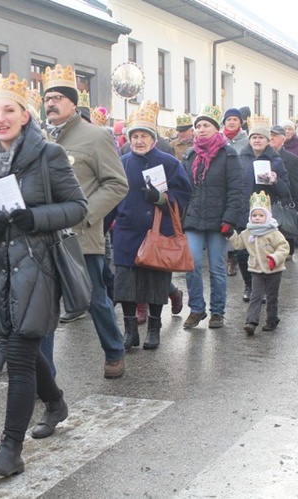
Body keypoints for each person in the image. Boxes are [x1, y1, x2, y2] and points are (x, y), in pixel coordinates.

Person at [0, 72, 87, 476]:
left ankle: (10, 449)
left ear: (25, 116)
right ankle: (56, 403)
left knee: (18, 353)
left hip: (38, 264)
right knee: (25, 350)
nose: (0, 118)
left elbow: (78, 207)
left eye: (8, 110)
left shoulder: (47, 155)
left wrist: (34, 217)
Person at [42, 64, 129, 378]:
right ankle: (44, 373)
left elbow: (117, 184)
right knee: (44, 306)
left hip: (81, 236)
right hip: (43, 236)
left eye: (56, 98)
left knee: (94, 299)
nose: (49, 103)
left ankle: (114, 351)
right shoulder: (39, 139)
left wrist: (85, 214)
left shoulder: (95, 136)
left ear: (72, 104)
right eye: (47, 98)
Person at [111, 100, 192, 350]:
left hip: (159, 232)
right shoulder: (122, 163)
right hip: (127, 232)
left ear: (152, 138)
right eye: (134, 135)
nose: (138, 140)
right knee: (125, 285)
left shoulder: (169, 163)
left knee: (156, 282)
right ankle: (130, 331)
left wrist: (161, 199)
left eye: (143, 135)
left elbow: (185, 193)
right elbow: (112, 194)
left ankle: (154, 329)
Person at [181, 104, 245, 330]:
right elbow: (182, 189)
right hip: (193, 220)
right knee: (192, 263)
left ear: (216, 129)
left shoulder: (228, 155)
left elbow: (237, 190)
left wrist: (230, 220)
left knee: (217, 268)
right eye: (198, 126)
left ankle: (217, 311)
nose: (201, 129)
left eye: (206, 125)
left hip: (219, 221)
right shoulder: (189, 156)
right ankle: (197, 308)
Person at [234, 119, 291, 302]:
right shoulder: (241, 158)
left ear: (268, 141)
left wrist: (275, 180)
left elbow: (285, 192)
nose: (257, 140)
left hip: (266, 215)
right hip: (244, 212)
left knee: (266, 251)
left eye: (261, 137)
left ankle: (265, 286)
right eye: (254, 137)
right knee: (243, 252)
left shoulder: (275, 160)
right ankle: (250, 285)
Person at [226, 191, 290, 334]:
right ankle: (251, 321)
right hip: (256, 270)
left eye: (261, 216)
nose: (257, 218)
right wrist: (230, 234)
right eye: (254, 215)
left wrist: (275, 257)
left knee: (272, 297)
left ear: (267, 216)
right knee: (256, 296)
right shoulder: (248, 232)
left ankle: (272, 320)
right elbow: (238, 244)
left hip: (274, 270)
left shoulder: (273, 232)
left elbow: (284, 247)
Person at [269, 124, 298, 258]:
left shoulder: (290, 158)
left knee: (285, 236)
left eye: (275, 136)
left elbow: (296, 182)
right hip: (267, 202)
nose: (271, 138)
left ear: (283, 139)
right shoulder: (261, 156)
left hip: (284, 201)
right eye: (270, 135)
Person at [221, 107, 248, 277]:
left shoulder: (246, 141)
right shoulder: (219, 139)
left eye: (234, 120)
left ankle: (239, 258)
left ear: (240, 122)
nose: (231, 122)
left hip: (241, 186)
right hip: (222, 186)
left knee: (239, 223)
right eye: (228, 119)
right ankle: (230, 257)